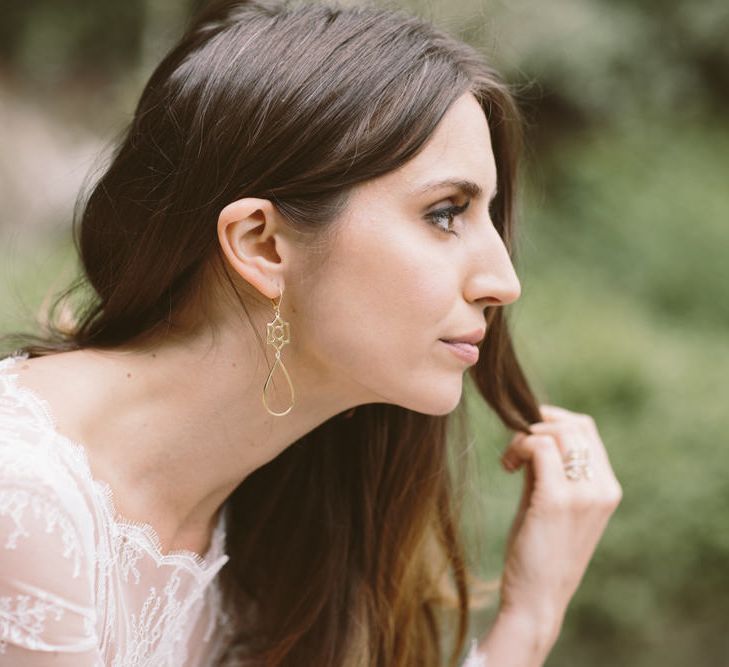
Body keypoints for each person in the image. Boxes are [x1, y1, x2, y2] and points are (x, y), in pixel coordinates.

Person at [0, 0, 622, 665]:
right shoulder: (25, 501)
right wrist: (527, 623)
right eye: (445, 213)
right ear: (262, 244)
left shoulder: (272, 523)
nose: (502, 280)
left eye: (489, 219)